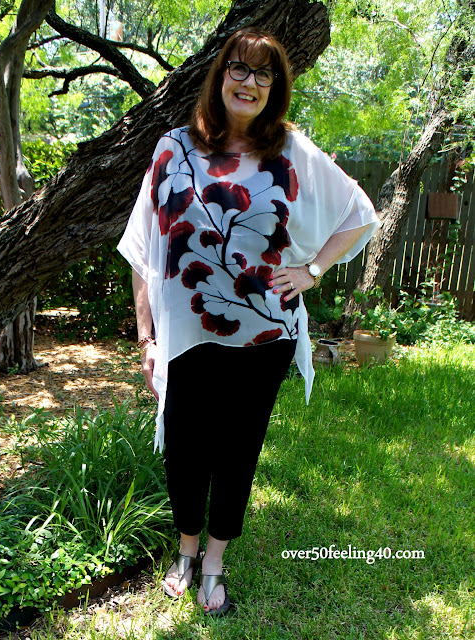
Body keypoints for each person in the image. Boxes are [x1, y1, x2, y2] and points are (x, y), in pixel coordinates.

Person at [117, 27, 380, 616]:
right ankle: (185, 552)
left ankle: (213, 563)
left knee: (238, 451)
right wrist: (147, 337)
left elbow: (359, 212)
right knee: (185, 448)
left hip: (264, 335)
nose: (250, 82)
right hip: (186, 336)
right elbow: (143, 250)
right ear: (221, 76)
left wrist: (312, 270)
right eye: (240, 68)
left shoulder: (290, 150)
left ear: (275, 87)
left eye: (264, 74)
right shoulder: (173, 148)